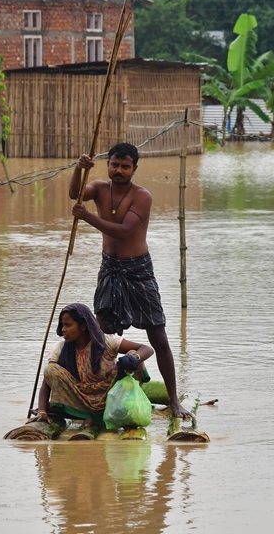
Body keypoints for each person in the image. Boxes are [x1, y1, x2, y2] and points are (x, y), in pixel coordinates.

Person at [68, 142, 191, 419]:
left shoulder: (142, 197)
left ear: (134, 168)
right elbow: (75, 193)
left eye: (125, 166)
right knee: (99, 334)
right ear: (108, 164)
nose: (119, 170)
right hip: (110, 268)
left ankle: (173, 401)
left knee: (158, 335)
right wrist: (79, 168)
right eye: (114, 164)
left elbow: (124, 231)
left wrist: (87, 216)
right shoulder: (99, 188)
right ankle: (100, 397)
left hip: (138, 271)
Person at [29, 303, 154, 427]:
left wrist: (132, 358)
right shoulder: (61, 348)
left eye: (68, 325)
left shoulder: (107, 342)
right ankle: (89, 416)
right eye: (62, 325)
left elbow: (147, 349)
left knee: (135, 358)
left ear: (83, 326)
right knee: (50, 369)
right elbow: (47, 381)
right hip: (80, 398)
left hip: (110, 397)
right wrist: (42, 411)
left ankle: (110, 415)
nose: (63, 329)